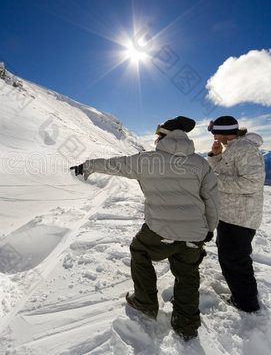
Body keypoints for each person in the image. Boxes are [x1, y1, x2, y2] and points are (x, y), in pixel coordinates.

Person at [70, 116, 219, 340]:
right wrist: (210, 228)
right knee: (188, 273)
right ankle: (186, 325)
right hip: (194, 234)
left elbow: (114, 164)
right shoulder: (200, 164)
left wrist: (87, 166)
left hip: (159, 232)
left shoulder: (146, 160)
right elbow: (212, 200)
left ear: (164, 137)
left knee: (139, 251)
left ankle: (146, 303)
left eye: (159, 135)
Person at [206, 115, 265, 313]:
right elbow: (226, 173)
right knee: (230, 256)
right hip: (231, 214)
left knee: (236, 260)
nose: (215, 137)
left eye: (215, 133)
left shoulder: (245, 149)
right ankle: (243, 296)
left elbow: (252, 183)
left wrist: (214, 181)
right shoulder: (233, 148)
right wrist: (215, 157)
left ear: (223, 132)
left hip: (240, 217)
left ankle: (246, 303)